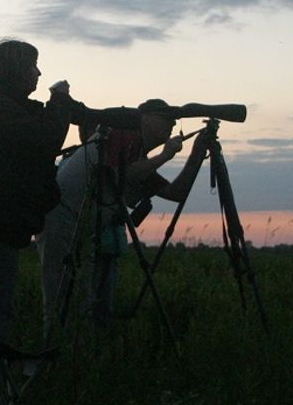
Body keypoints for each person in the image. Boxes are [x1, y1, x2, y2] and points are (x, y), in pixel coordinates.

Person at [0, 39, 75, 397]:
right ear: (17, 70)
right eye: (33, 67)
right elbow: (46, 140)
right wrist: (61, 102)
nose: (38, 73)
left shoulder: (3, 106)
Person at [38, 98, 208, 333]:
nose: (171, 123)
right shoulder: (123, 131)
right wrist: (166, 156)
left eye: (172, 119)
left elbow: (175, 193)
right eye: (164, 117)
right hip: (62, 217)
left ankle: (74, 355)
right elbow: (120, 174)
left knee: (79, 300)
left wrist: (197, 154)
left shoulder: (139, 158)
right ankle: (53, 357)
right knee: (59, 297)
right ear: (144, 117)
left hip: (82, 227)